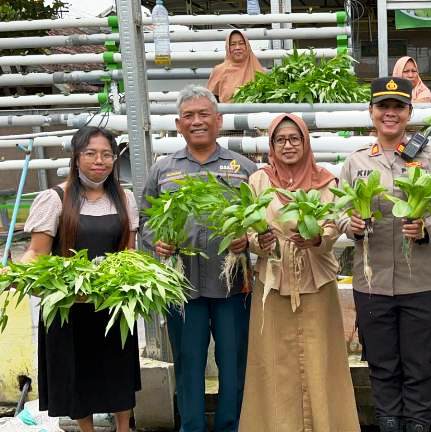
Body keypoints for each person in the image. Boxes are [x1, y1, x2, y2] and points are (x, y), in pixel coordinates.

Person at [140, 85, 257, 432]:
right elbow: (146, 220)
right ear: (178, 125)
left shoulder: (243, 168)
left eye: (204, 114)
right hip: (182, 288)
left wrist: (247, 238)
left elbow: (262, 219)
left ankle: (230, 426)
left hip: (232, 286)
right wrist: (157, 241)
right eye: (188, 116)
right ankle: (191, 426)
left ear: (218, 120)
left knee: (233, 364)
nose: (196, 121)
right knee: (188, 363)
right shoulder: (163, 170)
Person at [336, 77, 431, 432]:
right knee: (382, 366)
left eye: (398, 107)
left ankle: (418, 425)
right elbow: (338, 212)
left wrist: (426, 229)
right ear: (371, 112)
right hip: (373, 284)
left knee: (421, 366)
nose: (390, 113)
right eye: (382, 106)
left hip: (423, 282)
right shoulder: (355, 162)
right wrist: (351, 224)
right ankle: (388, 424)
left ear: (409, 112)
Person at [238, 113, 360, 431]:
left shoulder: (327, 181)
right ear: (271, 146)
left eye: (295, 138)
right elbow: (248, 230)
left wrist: (317, 238)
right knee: (273, 366)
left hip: (316, 283)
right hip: (273, 284)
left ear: (305, 143)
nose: (288, 145)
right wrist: (260, 242)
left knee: (321, 363)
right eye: (280, 140)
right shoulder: (259, 181)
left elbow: (333, 225)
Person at [20, 126, 140, 432]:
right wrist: (19, 274)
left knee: (118, 373)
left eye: (107, 154)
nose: (99, 161)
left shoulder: (124, 198)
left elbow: (129, 253)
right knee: (76, 376)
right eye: (90, 153)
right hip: (69, 307)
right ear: (76, 157)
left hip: (112, 305)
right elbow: (38, 252)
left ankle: (124, 428)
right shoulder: (54, 199)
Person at [207, 30, 266, 103]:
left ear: (247, 46)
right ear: (227, 48)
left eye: (241, 43)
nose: (237, 47)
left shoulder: (258, 71)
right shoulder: (219, 70)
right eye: (233, 44)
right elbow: (211, 102)